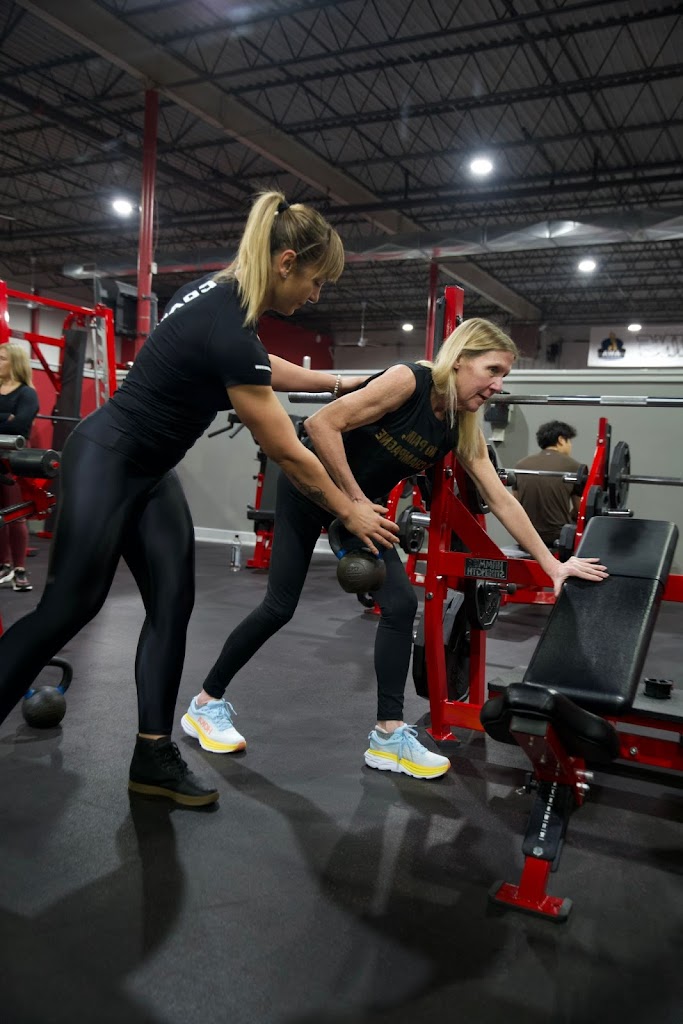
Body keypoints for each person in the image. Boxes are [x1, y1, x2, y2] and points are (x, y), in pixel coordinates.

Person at [0, 191, 398, 807]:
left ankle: (152, 755)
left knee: (172, 604)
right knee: (68, 608)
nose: (316, 296)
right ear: (287, 262)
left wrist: (340, 381)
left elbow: (262, 364)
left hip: (152, 472)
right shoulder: (226, 322)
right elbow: (287, 451)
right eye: (316, 281)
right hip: (108, 459)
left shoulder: (223, 298)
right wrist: (350, 508)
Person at [181, 321, 609, 779]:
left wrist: (552, 564)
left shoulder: (462, 425)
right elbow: (322, 425)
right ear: (460, 360)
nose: (498, 385)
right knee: (279, 606)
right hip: (309, 488)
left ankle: (388, 735)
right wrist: (354, 503)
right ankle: (205, 704)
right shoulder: (410, 380)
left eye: (504, 375)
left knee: (402, 604)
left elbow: (500, 498)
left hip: (355, 508)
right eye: (493, 370)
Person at [0, 342, 40, 592]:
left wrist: (10, 421)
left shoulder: (27, 393)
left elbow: (20, 425)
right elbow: (11, 422)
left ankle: (20, 570)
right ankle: (3, 566)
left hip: (13, 458)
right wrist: (7, 418)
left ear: (15, 363)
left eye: (2, 358)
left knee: (14, 514)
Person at [513, 420, 582, 548]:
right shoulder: (575, 466)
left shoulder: (521, 465)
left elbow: (515, 504)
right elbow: (580, 510)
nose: (570, 446)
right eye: (569, 441)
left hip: (526, 537)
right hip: (559, 538)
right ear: (561, 440)